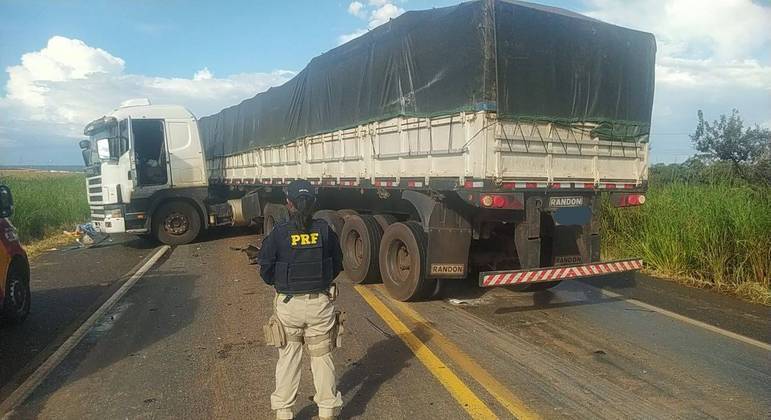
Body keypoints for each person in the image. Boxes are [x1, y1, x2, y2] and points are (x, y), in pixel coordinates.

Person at [258, 179, 344, 420]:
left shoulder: (278, 233)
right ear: (314, 203)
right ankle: (327, 411)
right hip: (320, 304)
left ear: (288, 203)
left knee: (288, 358)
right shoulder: (325, 231)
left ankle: (284, 412)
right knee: (322, 357)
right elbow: (337, 264)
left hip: (288, 306)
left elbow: (265, 269)